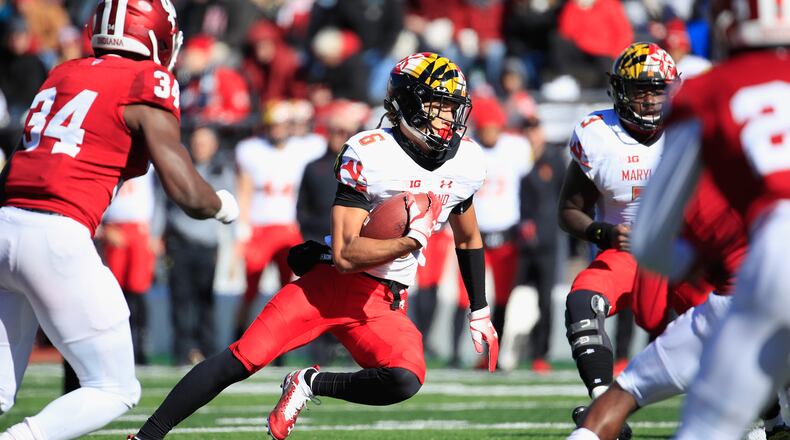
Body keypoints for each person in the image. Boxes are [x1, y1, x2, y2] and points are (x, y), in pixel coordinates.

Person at [130, 52, 499, 440]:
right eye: (438, 107)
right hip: (328, 287)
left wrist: (480, 308)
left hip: (382, 301)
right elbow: (345, 255)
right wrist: (410, 241)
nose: (448, 119)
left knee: (405, 380)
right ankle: (146, 436)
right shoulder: (371, 153)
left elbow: (469, 237)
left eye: (452, 108)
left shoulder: (466, 161)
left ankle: (308, 382)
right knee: (242, 359)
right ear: (409, 104)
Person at [0, 1, 239, 439]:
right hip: (57, 232)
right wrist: (221, 205)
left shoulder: (64, 72)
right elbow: (186, 191)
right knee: (113, 387)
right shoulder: (147, 78)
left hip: (5, 223)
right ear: (153, 34)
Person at [629, 1, 790, 438]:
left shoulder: (709, 91)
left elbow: (649, 242)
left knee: (709, 426)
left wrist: (695, 261)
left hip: (773, 251)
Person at [568, 175, 790, 440]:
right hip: (765, 296)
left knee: (623, 396)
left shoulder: (692, 178)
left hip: (735, 303)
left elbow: (649, 314)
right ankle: (777, 424)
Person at [557, 42, 684, 430]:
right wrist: (606, 232)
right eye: (640, 90)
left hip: (685, 255)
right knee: (581, 302)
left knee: (728, 324)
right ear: (619, 91)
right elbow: (568, 211)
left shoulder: (691, 128)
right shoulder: (597, 135)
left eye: (657, 89)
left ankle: (771, 415)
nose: (649, 100)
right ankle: (603, 405)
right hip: (626, 253)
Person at [233, 100, 324, 340]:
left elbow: (320, 138)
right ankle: (238, 336)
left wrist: (301, 114)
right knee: (250, 289)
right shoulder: (251, 150)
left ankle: (283, 340)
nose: (277, 130)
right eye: (273, 125)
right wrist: (242, 228)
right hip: (260, 227)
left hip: (289, 227)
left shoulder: (305, 147)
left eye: (282, 125)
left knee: (288, 289)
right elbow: (244, 189)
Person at [154, 126, 236, 366]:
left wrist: (233, 243)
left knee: (205, 300)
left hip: (208, 244)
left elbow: (232, 208)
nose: (200, 148)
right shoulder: (181, 169)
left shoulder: (223, 171)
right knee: (180, 299)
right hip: (179, 242)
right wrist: (155, 234)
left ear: (215, 146)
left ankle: (208, 353)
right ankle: (182, 352)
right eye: (197, 143)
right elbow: (161, 204)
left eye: (205, 143)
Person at [100, 166, 157, 365]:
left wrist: (157, 231)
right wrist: (103, 226)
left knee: (138, 290)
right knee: (114, 291)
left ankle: (140, 347)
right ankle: (116, 348)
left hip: (141, 227)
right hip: (114, 226)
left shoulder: (151, 153)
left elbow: (162, 192)